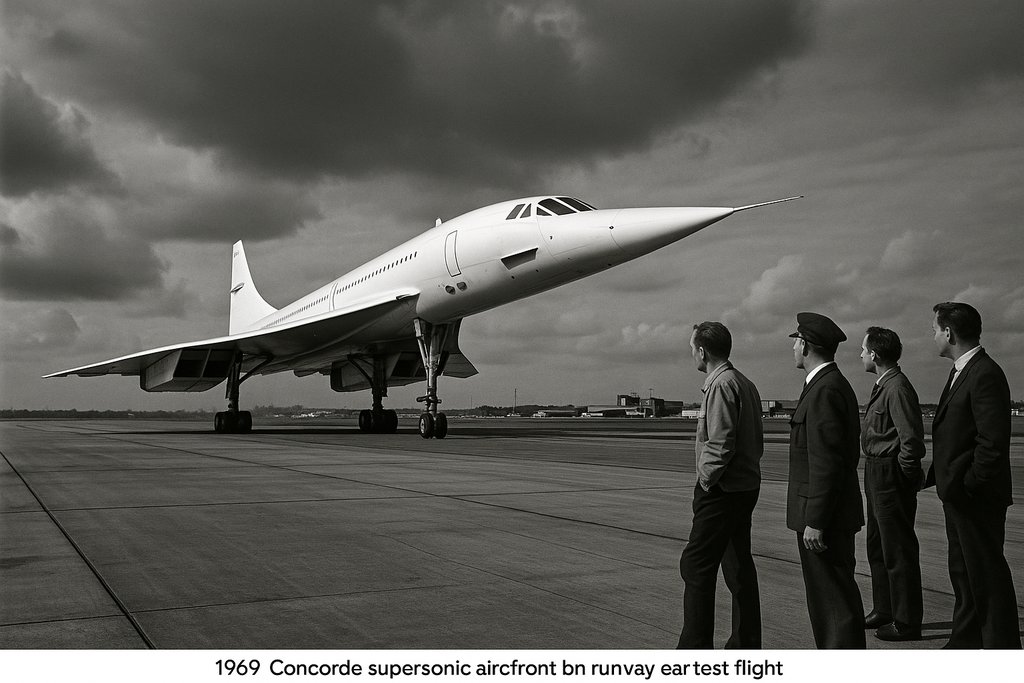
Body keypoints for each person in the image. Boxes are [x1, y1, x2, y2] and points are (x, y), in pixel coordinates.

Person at [926, 302, 1021, 648]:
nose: (933, 336)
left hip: (975, 498)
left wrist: (967, 486)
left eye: (935, 329)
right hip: (959, 495)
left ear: (949, 333)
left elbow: (991, 443)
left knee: (987, 578)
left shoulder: (984, 373)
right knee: (964, 574)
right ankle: (964, 641)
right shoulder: (961, 371)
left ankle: (1002, 649)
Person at [677, 322, 763, 649]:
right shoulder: (743, 382)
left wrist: (705, 480)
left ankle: (694, 650)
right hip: (744, 487)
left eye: (692, 349)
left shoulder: (720, 384)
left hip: (722, 491)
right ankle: (745, 645)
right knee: (738, 567)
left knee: (696, 566)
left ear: (703, 351)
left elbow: (721, 442)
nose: (691, 354)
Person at [787, 312, 866, 649]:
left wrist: (815, 521)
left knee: (833, 606)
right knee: (831, 603)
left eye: (796, 342)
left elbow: (827, 462)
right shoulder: (828, 385)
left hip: (824, 521)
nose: (794, 349)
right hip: (828, 515)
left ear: (805, 345)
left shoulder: (824, 391)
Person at [859, 326, 925, 641]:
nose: (860, 355)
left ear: (874, 354)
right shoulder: (883, 385)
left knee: (897, 549)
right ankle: (884, 609)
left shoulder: (896, 388)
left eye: (863, 349)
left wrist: (905, 475)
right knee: (877, 545)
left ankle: (906, 620)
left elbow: (911, 440)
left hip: (889, 472)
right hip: (875, 470)